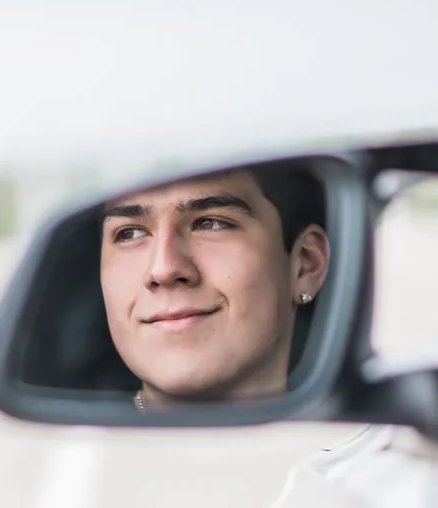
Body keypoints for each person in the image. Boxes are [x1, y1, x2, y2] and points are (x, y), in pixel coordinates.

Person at [99, 163, 330, 409]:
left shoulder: (366, 442)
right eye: (130, 233)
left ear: (305, 265)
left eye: (210, 223)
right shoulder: (70, 445)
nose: (163, 269)